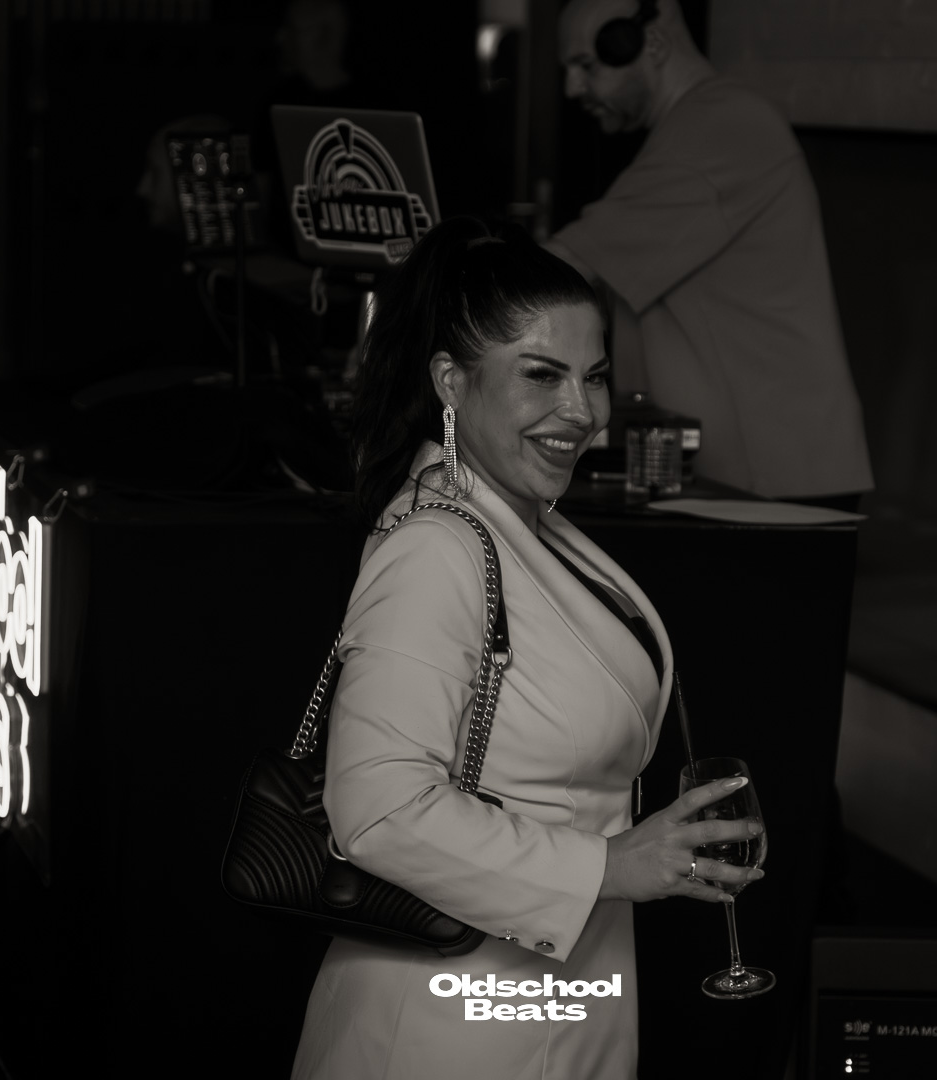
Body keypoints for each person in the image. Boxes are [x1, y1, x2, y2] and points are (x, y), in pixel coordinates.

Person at [289, 217, 765, 1079]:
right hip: (451, 1025)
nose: (582, 411)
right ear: (451, 381)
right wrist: (610, 864)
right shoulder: (435, 547)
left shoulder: (520, 525)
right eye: (541, 375)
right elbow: (378, 809)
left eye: (595, 377)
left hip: (554, 1002)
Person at [547, 0, 874, 506]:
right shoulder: (696, 126)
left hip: (772, 482)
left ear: (652, 44)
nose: (573, 88)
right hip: (747, 477)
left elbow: (567, 264)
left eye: (586, 66)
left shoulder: (724, 126)